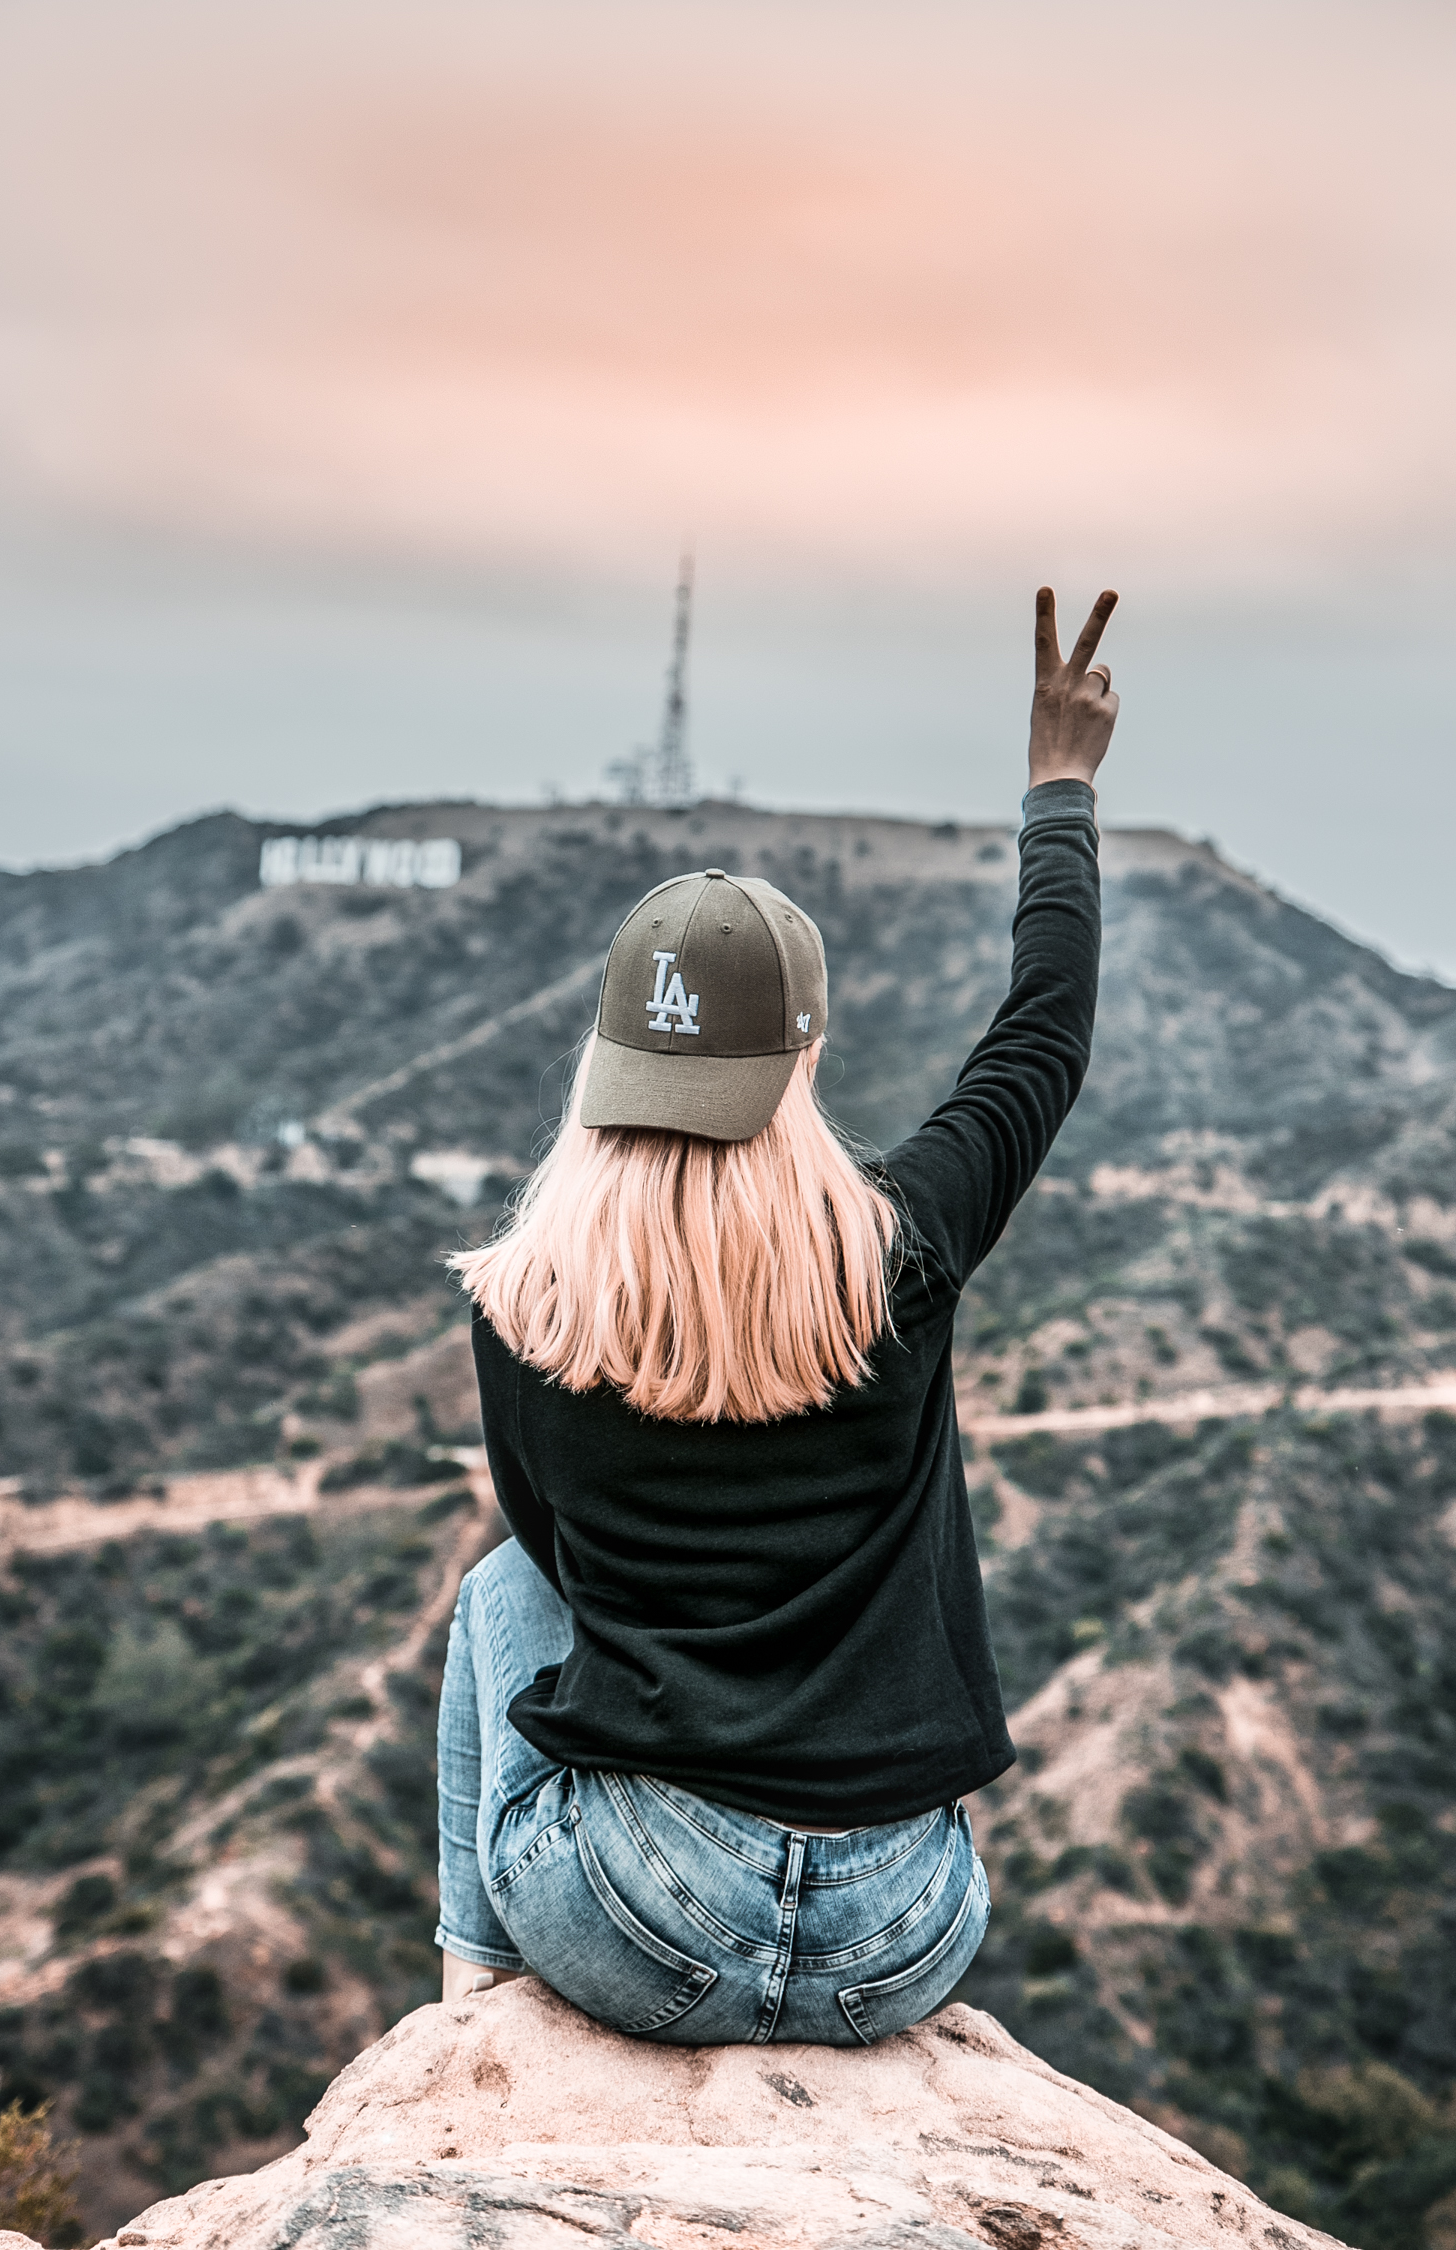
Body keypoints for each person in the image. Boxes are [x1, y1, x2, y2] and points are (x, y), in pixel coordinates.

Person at [435, 587, 1119, 2046]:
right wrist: (1059, 786)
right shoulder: (898, 1251)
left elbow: (560, 1567)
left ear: (609, 1059)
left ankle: (470, 2017)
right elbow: (1043, 1030)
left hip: (632, 1918)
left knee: (501, 1590)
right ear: (800, 1054)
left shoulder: (526, 1304)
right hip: (902, 1930)